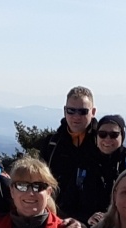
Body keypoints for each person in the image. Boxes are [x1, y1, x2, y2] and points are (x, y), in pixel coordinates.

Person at [41, 86, 98, 217]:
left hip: (93, 221)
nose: (76, 117)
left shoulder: (104, 142)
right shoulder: (52, 144)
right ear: (64, 111)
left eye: (83, 111)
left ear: (93, 112)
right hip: (56, 216)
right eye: (71, 111)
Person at [67, 114, 126, 225]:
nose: (107, 139)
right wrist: (87, 218)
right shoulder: (83, 167)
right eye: (102, 134)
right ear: (96, 137)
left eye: (113, 135)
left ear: (122, 136)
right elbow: (67, 206)